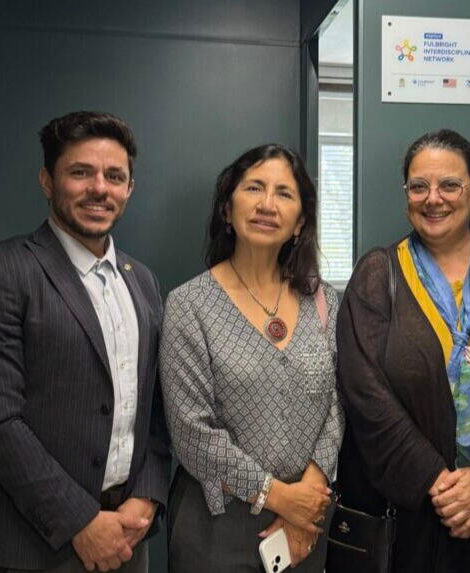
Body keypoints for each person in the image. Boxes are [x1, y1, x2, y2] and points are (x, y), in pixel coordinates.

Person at [0, 111, 170, 572]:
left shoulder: (143, 281)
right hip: (35, 543)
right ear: (48, 181)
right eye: (80, 172)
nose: (99, 189)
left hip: (129, 534)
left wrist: (147, 497)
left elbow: (154, 408)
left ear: (129, 189)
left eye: (114, 176)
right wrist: (81, 523)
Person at [334, 129, 470, 572]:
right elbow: (364, 393)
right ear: (405, 193)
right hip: (407, 516)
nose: (434, 199)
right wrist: (443, 487)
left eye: (450, 185)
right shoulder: (378, 274)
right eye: (419, 186)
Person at [160, 143, 342, 572]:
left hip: (307, 524)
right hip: (217, 525)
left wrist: (310, 495)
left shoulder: (324, 300)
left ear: (300, 222)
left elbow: (339, 400)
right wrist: (280, 497)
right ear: (227, 209)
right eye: (254, 188)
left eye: (284, 193)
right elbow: (191, 432)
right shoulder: (190, 304)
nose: (266, 204)